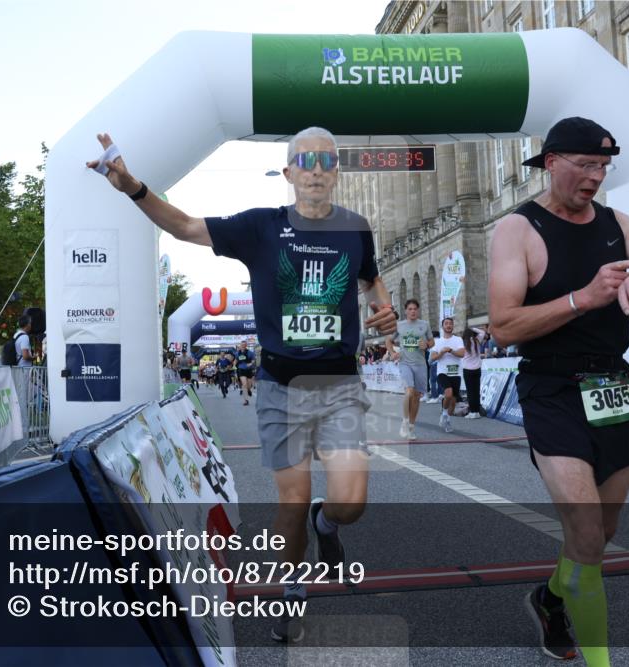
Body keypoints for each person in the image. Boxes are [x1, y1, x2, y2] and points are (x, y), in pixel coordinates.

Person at [88, 126, 397, 644]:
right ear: (289, 172)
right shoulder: (260, 228)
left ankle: (328, 525)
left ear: (336, 172)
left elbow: (371, 280)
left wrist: (381, 308)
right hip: (281, 385)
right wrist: (135, 188)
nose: (317, 168)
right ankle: (291, 593)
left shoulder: (355, 229)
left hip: (341, 385)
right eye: (306, 159)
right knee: (291, 501)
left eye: (327, 160)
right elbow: (186, 226)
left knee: (351, 504)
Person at [487, 117, 629, 665]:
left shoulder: (616, 223)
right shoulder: (517, 230)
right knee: (585, 531)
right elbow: (504, 326)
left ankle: (550, 597)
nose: (595, 178)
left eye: (603, 167)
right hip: (552, 386)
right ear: (551, 160)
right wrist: (583, 298)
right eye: (585, 165)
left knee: (602, 534)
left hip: (614, 383)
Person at [386, 299, 433, 440]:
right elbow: (388, 341)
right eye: (410, 309)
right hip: (405, 362)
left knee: (417, 397)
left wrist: (427, 345)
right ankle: (404, 421)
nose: (412, 311)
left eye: (415, 309)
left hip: (420, 364)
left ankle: (411, 427)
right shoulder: (399, 326)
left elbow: (432, 341)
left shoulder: (424, 325)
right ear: (406, 311)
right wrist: (392, 353)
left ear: (418, 311)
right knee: (409, 391)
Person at [430, 317, 465, 433]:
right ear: (443, 326)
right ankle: (444, 413)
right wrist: (442, 352)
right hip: (442, 372)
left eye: (450, 324)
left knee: (454, 400)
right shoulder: (438, 342)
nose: (448, 325)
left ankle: (448, 420)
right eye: (446, 324)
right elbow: (432, 358)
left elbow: (462, 354)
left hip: (456, 373)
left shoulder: (458, 339)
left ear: (453, 326)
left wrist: (450, 351)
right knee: (448, 393)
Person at [460, 324, 487, 419]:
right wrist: (473, 329)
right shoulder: (477, 341)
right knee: (476, 391)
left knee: (470, 391)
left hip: (467, 370)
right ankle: (476, 411)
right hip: (477, 369)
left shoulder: (463, 343)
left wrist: (469, 330)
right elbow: (483, 332)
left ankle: (472, 411)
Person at [235, 340, 256, 406]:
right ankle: (246, 400)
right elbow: (236, 360)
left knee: (249, 385)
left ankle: (249, 389)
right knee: (244, 384)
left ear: (246, 346)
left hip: (249, 370)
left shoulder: (250, 353)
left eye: (244, 345)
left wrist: (250, 364)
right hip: (241, 369)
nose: (243, 346)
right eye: (242, 345)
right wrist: (234, 364)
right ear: (240, 346)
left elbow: (253, 360)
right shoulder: (237, 353)